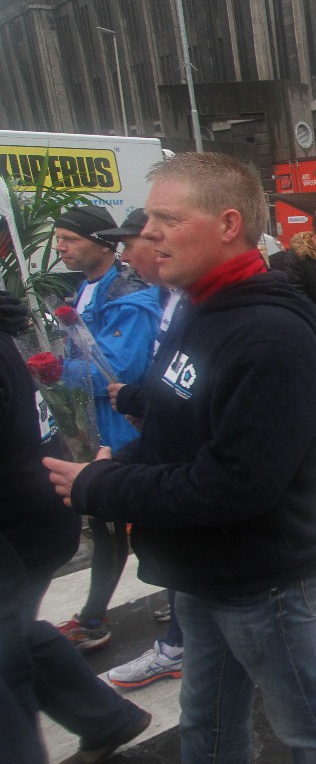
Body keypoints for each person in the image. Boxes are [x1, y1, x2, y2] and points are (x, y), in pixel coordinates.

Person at [43, 152, 316, 764]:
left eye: (167, 218)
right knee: (207, 724)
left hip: (260, 581)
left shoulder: (268, 333)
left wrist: (100, 486)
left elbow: (235, 483)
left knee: (310, 729)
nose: (148, 233)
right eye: (150, 219)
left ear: (227, 225)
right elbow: (178, 425)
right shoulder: (201, 308)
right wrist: (118, 463)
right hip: (200, 571)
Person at [0, 291, 152, 764]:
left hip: (22, 522)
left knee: (7, 654)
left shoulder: (130, 301)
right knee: (15, 632)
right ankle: (105, 718)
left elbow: (117, 369)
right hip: (34, 510)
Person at [51, 205, 161, 651]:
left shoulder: (128, 296)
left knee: (120, 524)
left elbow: (119, 371)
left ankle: (95, 619)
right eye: (58, 238)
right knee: (117, 524)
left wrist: (55, 371)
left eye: (70, 239)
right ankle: (170, 597)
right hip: (98, 428)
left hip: (125, 429)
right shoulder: (86, 288)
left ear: (103, 245)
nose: (60, 247)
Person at [95, 210, 189, 689]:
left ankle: (177, 644)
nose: (127, 256)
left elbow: (191, 391)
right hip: (155, 438)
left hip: (181, 463)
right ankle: (180, 636)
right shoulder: (163, 298)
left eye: (132, 244)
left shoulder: (194, 305)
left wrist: (144, 403)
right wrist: (143, 405)